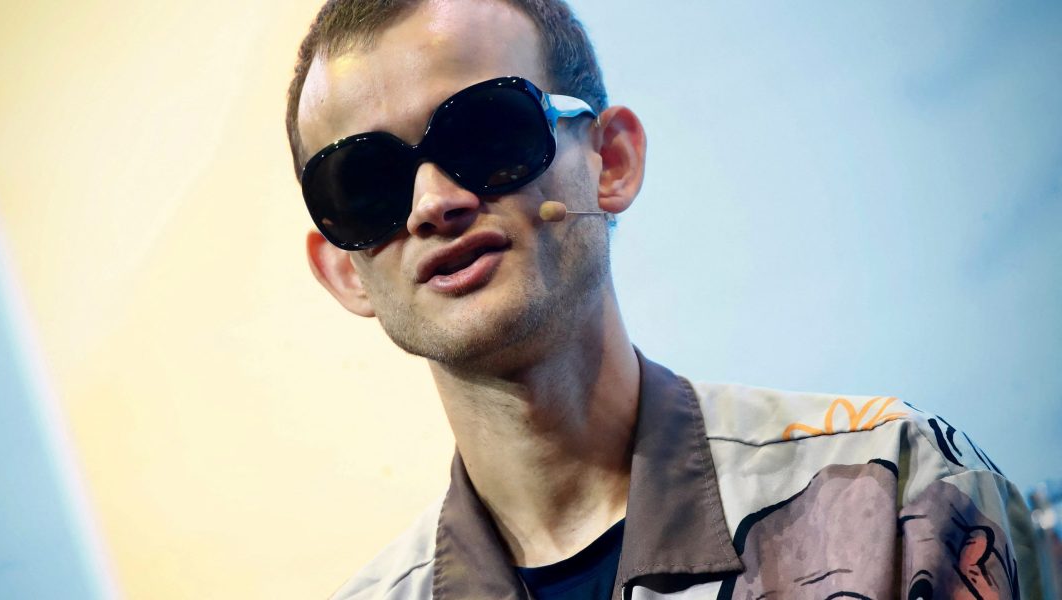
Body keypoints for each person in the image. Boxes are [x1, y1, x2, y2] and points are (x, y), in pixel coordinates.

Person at [285, 0, 1049, 598]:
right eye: (365, 184)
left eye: (486, 133)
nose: (432, 203)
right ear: (343, 271)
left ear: (611, 161)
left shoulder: (899, 496)